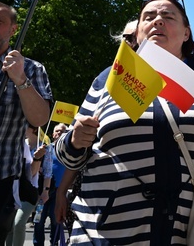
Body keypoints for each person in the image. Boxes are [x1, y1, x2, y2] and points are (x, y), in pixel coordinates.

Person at [55, 0, 194, 245]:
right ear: (138, 32)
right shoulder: (109, 78)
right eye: (148, 17)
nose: (157, 21)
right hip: (105, 230)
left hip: (186, 230)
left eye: (168, 16)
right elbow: (69, 156)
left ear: (186, 33)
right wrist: (75, 140)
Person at [54, 20, 139, 233]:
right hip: (99, 208)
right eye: (127, 38)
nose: (133, 42)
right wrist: (61, 191)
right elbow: (79, 146)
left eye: (139, 36)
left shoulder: (174, 80)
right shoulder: (106, 78)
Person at [0, 0, 53, 244]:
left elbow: (40, 118)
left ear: (13, 29)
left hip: (1, 180)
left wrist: (20, 79)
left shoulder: (30, 68)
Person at [5, 126, 47, 246]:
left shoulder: (28, 147)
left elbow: (32, 173)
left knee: (18, 223)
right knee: (8, 226)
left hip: (25, 193)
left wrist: (37, 159)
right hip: (7, 192)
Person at [33, 123, 68, 246]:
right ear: (52, 134)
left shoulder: (70, 152)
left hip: (59, 191)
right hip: (43, 190)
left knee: (55, 221)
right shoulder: (46, 149)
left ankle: (54, 243)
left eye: (63, 132)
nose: (59, 133)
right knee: (38, 221)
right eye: (57, 131)